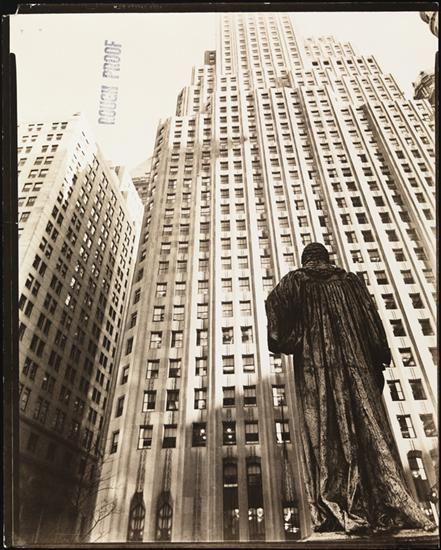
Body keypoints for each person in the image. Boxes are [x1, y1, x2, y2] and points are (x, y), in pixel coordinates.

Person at [265, 242, 435, 534]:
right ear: (326, 259)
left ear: (306, 260)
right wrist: (378, 356)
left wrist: (295, 339)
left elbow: (275, 322)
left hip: (316, 371)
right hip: (358, 367)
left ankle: (341, 507)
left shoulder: (294, 281)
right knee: (369, 429)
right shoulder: (350, 282)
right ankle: (383, 504)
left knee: (325, 431)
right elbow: (373, 323)